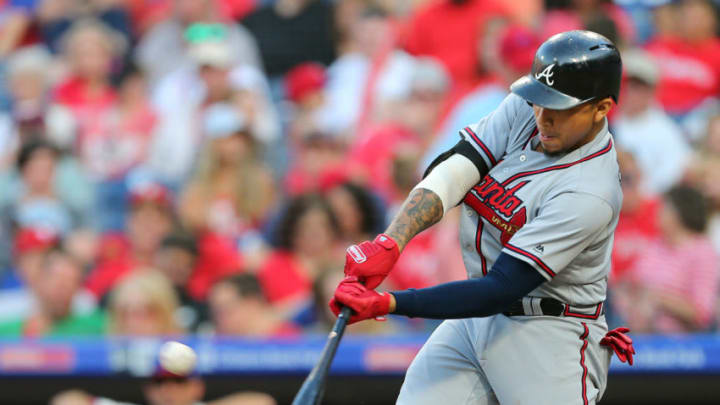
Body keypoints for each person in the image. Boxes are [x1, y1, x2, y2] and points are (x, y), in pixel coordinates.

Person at [329, 31, 635, 404]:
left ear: (601, 107)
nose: (542, 116)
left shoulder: (590, 191)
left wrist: (389, 303)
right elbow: (458, 164)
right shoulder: (529, 106)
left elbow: (501, 288)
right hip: (476, 319)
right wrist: (390, 242)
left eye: (559, 107)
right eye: (539, 100)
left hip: (549, 336)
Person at [208, 274, 300, 337]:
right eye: (215, 312)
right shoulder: (218, 344)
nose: (219, 320)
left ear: (253, 304)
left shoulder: (288, 340)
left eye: (225, 310)